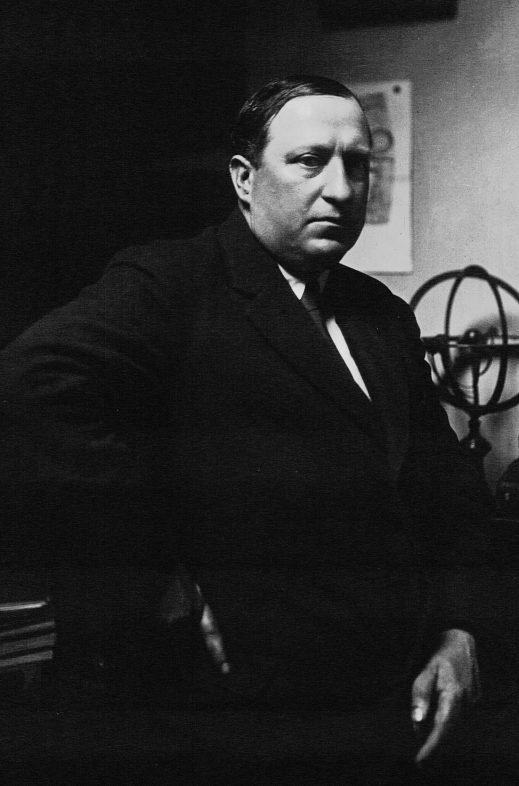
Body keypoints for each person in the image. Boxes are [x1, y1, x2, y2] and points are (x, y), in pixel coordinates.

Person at [0, 76, 496, 781]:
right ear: (243, 177)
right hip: (242, 709)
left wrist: (461, 627)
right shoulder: (171, 282)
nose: (340, 189)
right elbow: (25, 387)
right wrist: (154, 576)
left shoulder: (381, 312)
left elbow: (444, 486)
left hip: (388, 698)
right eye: (309, 161)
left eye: (357, 165)